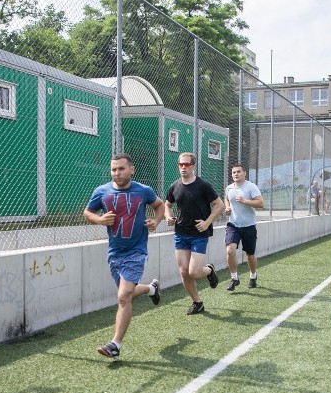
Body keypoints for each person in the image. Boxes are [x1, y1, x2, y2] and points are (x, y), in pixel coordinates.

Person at [84, 153, 165, 361]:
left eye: (121, 169)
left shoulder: (143, 190)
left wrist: (156, 222)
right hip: (115, 253)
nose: (117, 173)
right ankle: (151, 289)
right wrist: (100, 220)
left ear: (131, 169)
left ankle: (115, 345)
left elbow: (159, 205)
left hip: (136, 251)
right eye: (113, 169)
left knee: (123, 296)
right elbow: (88, 212)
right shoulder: (101, 191)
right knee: (126, 293)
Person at [165, 152, 225, 315]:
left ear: (193, 166)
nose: (183, 167)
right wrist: (168, 217)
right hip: (180, 233)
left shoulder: (203, 185)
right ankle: (197, 302)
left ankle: (209, 270)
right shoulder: (174, 186)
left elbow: (219, 205)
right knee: (184, 271)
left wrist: (207, 222)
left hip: (199, 234)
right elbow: (167, 205)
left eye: (187, 164)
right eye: (181, 164)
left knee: (194, 272)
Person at [223, 163, 264, 291]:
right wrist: (227, 207)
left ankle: (253, 276)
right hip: (233, 225)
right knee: (230, 250)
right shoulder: (229, 188)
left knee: (250, 254)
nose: (236, 174)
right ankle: (234, 278)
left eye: (238, 172)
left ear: (244, 173)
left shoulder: (251, 187)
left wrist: (245, 201)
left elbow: (261, 203)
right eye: (234, 172)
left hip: (249, 226)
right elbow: (226, 199)